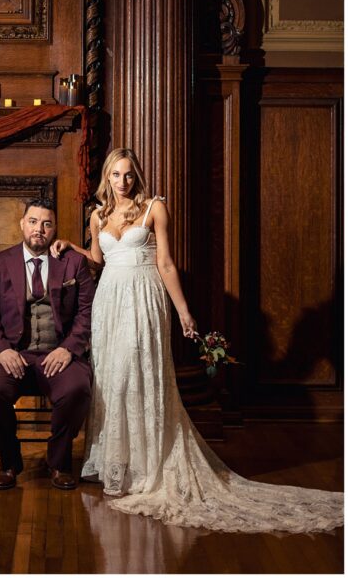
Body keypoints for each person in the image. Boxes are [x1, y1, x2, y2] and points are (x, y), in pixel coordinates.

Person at [52, 148, 343, 532]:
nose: (123, 181)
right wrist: (70, 245)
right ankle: (116, 464)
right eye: (116, 175)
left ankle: (146, 467)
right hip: (109, 303)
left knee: (141, 375)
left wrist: (183, 312)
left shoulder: (154, 208)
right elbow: (98, 259)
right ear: (107, 177)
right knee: (113, 379)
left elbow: (166, 263)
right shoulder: (98, 215)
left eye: (129, 174)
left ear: (136, 176)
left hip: (143, 298)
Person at [0, 198, 95, 491]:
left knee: (77, 389)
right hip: (13, 353)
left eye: (46, 223)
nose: (39, 229)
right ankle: (9, 461)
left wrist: (68, 348)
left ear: (54, 229)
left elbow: (88, 312)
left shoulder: (73, 262)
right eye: (33, 222)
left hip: (58, 353)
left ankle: (59, 462)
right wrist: (2, 350)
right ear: (22, 225)